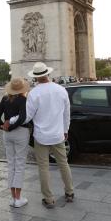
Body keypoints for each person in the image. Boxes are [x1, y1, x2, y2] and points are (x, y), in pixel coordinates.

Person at [26, 62, 74, 209]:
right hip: (58, 134)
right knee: (63, 164)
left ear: (35, 77)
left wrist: (11, 121)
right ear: (48, 74)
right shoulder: (61, 90)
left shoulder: (34, 93)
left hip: (41, 136)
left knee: (43, 167)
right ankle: (70, 192)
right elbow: (67, 114)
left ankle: (49, 199)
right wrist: (65, 130)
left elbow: (27, 117)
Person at [0, 77, 31, 208]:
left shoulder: (4, 99)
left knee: (11, 164)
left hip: (7, 135)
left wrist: (3, 127)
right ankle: (18, 198)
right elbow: (22, 118)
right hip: (20, 132)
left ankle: (12, 198)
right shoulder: (23, 100)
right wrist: (12, 127)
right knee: (20, 164)